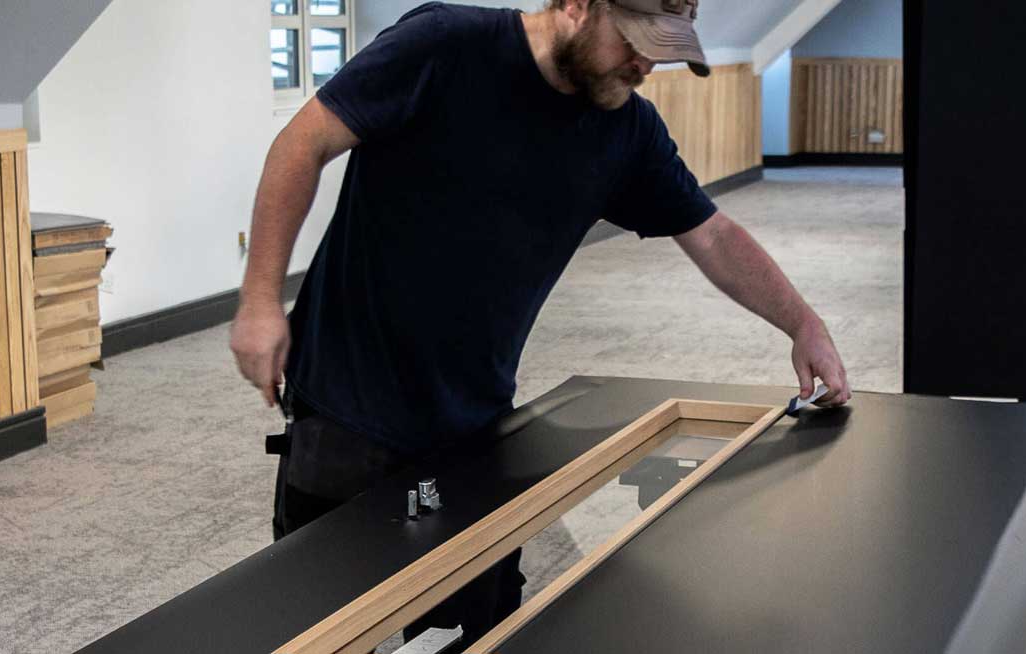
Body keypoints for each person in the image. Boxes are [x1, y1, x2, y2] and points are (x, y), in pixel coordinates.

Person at [231, 0, 851, 647]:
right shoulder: (446, 45)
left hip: (472, 425)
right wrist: (259, 299)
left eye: (662, 50)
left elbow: (714, 236)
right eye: (635, 41)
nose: (646, 64)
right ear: (577, 6)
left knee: (480, 629)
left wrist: (803, 324)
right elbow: (302, 142)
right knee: (324, 626)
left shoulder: (626, 131)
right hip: (346, 410)